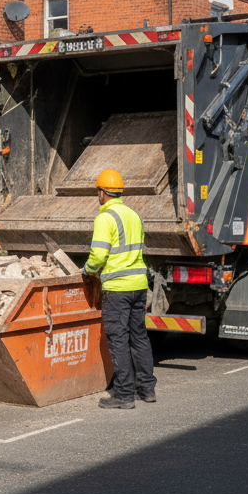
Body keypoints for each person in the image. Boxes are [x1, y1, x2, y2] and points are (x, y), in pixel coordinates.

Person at [84, 169, 156, 409]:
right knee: (139, 337)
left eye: (98, 191)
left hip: (117, 288)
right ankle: (146, 389)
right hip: (139, 285)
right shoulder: (133, 215)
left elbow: (98, 254)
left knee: (118, 339)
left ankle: (124, 394)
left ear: (102, 193)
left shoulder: (105, 218)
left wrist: (88, 270)